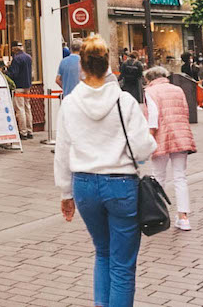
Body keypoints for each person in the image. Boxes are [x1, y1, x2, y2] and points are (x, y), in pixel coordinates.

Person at [55, 36, 156, 307]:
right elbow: (144, 149)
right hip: (121, 184)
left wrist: (66, 192)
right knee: (122, 264)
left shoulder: (70, 103)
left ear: (82, 67)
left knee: (102, 253)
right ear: (110, 65)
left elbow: (63, 150)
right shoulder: (125, 102)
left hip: (84, 184)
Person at [142, 66, 195, 231]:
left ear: (149, 79)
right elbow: (185, 111)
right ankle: (183, 217)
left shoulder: (151, 92)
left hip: (161, 136)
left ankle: (159, 213)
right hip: (180, 134)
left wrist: (149, 138)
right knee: (180, 177)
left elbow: (153, 117)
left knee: (158, 177)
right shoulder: (177, 89)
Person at [6, 42, 34, 139]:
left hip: (19, 86)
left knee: (20, 109)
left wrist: (7, 69)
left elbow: (14, 74)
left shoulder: (16, 59)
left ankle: (23, 132)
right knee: (27, 108)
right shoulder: (28, 57)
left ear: (14, 49)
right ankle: (30, 131)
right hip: (27, 85)